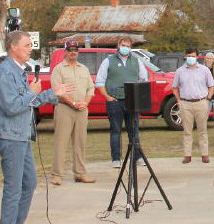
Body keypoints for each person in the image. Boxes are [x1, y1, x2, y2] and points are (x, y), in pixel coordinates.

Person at [0, 31, 72, 224]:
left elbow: (29, 101)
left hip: (21, 135)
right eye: (26, 45)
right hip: (9, 135)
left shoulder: (18, 72)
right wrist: (39, 93)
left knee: (29, 183)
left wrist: (51, 94)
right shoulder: (6, 73)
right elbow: (13, 106)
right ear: (13, 47)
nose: (29, 49)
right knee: (14, 187)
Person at [96, 36, 149, 168]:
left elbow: (143, 78)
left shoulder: (137, 61)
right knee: (116, 130)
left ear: (131, 47)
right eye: (123, 45)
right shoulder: (108, 61)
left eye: (128, 46)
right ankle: (115, 159)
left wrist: (138, 95)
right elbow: (99, 81)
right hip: (115, 101)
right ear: (118, 45)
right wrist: (107, 97)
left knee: (134, 130)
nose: (125, 48)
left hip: (132, 102)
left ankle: (137, 157)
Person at [50, 40, 96, 186]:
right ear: (65, 51)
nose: (73, 52)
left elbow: (90, 88)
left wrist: (85, 102)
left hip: (82, 110)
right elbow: (58, 91)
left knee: (80, 143)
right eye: (70, 49)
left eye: (75, 49)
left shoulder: (84, 69)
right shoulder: (59, 69)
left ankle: (80, 173)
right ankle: (57, 175)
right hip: (65, 108)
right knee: (61, 142)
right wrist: (73, 103)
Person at [172, 48, 214, 164]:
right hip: (185, 103)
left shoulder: (204, 70)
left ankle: (205, 154)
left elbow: (211, 86)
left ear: (197, 56)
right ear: (185, 56)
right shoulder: (180, 71)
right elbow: (175, 87)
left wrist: (208, 99)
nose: (190, 58)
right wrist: (178, 100)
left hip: (201, 103)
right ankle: (187, 155)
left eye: (192, 56)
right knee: (187, 131)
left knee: (202, 130)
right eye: (188, 56)